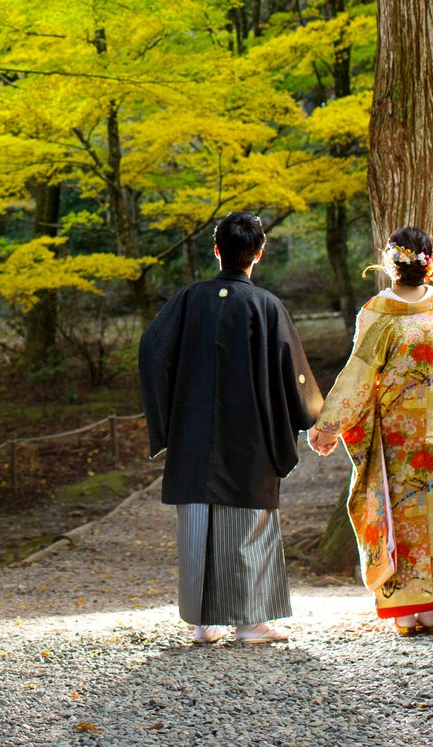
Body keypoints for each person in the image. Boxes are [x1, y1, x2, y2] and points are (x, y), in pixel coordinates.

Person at [138, 212, 324, 645]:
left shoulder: (187, 299)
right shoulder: (266, 305)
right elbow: (291, 371)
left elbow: (152, 348)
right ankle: (250, 623)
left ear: (217, 249)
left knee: (199, 520)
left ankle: (205, 624)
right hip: (251, 431)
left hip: (193, 428)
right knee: (248, 522)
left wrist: (167, 417)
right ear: (258, 254)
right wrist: (312, 418)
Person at [307, 225, 433, 637]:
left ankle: (408, 612)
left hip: (399, 435)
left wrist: (329, 426)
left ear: (390, 263)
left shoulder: (378, 311)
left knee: (403, 517)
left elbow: (358, 375)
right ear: (431, 265)